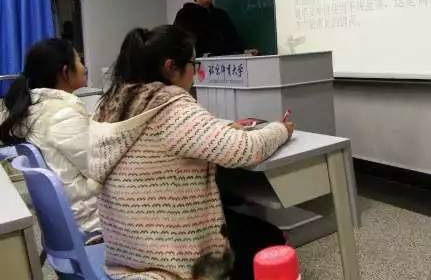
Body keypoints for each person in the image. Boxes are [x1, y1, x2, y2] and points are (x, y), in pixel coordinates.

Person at [89, 25, 294, 280]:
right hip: (171, 262)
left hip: (128, 252)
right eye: (193, 64)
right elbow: (246, 149)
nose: (195, 73)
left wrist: (219, 129)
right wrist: (281, 129)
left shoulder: (111, 106)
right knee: (269, 238)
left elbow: (169, 140)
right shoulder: (170, 107)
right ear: (170, 67)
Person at [0, 39, 100, 236]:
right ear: (65, 71)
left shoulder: (33, 108)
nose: (84, 67)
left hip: (66, 217)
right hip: (91, 218)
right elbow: (97, 168)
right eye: (79, 61)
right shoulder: (63, 112)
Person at [174, 0, 258, 57]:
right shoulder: (185, 14)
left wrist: (243, 50)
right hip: (202, 60)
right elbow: (180, 39)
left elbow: (232, 36)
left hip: (226, 58)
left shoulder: (221, 14)